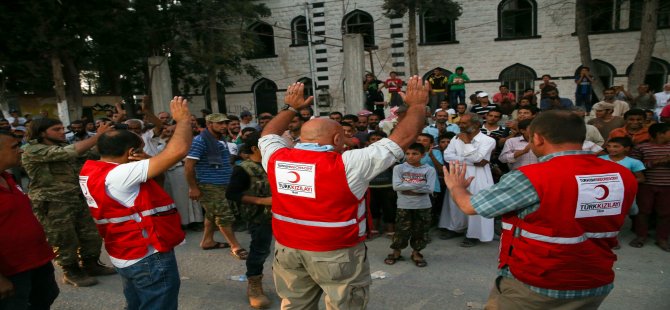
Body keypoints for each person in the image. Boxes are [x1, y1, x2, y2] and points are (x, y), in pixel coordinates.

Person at [259, 77, 428, 308]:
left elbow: (268, 134)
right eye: (344, 137)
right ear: (337, 138)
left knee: (295, 305)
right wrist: (418, 105)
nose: (348, 140)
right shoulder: (348, 164)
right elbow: (403, 138)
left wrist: (291, 108)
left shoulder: (275, 157)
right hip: (335, 253)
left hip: (287, 250)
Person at [444, 110, 638, 309]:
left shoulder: (531, 177)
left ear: (537, 138)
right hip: (595, 282)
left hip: (535, 284)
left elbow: (470, 206)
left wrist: (457, 187)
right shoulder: (622, 175)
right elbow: (628, 211)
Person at [78, 96, 191, 310]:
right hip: (147, 256)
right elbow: (177, 151)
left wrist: (147, 158)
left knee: (136, 304)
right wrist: (184, 120)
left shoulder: (93, 169)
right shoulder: (120, 174)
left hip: (125, 252)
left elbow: (155, 183)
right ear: (131, 153)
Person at [22, 118, 116, 287]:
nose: (62, 131)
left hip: (76, 198)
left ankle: (91, 264)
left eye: (62, 128)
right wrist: (97, 136)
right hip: (52, 202)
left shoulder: (62, 147)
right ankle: (70, 270)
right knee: (64, 237)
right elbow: (69, 152)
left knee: (90, 234)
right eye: (56, 129)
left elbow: (91, 154)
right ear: (42, 133)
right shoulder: (33, 150)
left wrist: (107, 137)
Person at [0, 130, 59, 310]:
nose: (21, 151)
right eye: (14, 147)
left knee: (45, 296)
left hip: (35, 260)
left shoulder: (8, 177)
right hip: (11, 270)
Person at [185, 113, 247, 257]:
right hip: (209, 185)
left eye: (225, 123)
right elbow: (189, 166)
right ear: (209, 124)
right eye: (219, 123)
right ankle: (235, 246)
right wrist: (193, 187)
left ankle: (207, 241)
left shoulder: (220, 138)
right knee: (223, 215)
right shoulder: (200, 141)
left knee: (212, 213)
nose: (224, 126)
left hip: (223, 183)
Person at [225, 132, 273, 309]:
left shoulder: (274, 164)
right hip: (259, 216)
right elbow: (232, 193)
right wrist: (261, 201)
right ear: (255, 149)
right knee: (260, 250)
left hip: (283, 215)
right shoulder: (244, 168)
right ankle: (254, 285)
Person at [439, 113, 496, 246]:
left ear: (476, 125)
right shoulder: (455, 138)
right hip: (458, 174)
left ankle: (474, 235)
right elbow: (447, 156)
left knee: (475, 203)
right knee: (455, 202)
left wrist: (467, 143)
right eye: (460, 122)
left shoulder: (488, 141)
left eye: (464, 123)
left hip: (479, 176)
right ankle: (456, 228)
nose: (460, 125)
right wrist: (469, 160)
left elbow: (478, 159)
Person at [384, 143, 436, 268]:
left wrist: (407, 187)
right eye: (407, 154)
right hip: (404, 205)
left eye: (415, 154)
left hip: (423, 206)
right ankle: (396, 252)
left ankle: (416, 253)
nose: (410, 156)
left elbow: (430, 189)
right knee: (401, 230)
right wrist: (420, 186)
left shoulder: (429, 170)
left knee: (421, 230)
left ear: (422, 155)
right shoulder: (399, 168)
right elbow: (396, 187)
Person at [629, 123, 670, 251]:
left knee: (665, 213)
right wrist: (658, 162)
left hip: (667, 186)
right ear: (660, 134)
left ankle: (662, 239)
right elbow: (634, 167)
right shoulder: (641, 148)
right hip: (647, 185)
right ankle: (641, 236)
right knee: (643, 212)